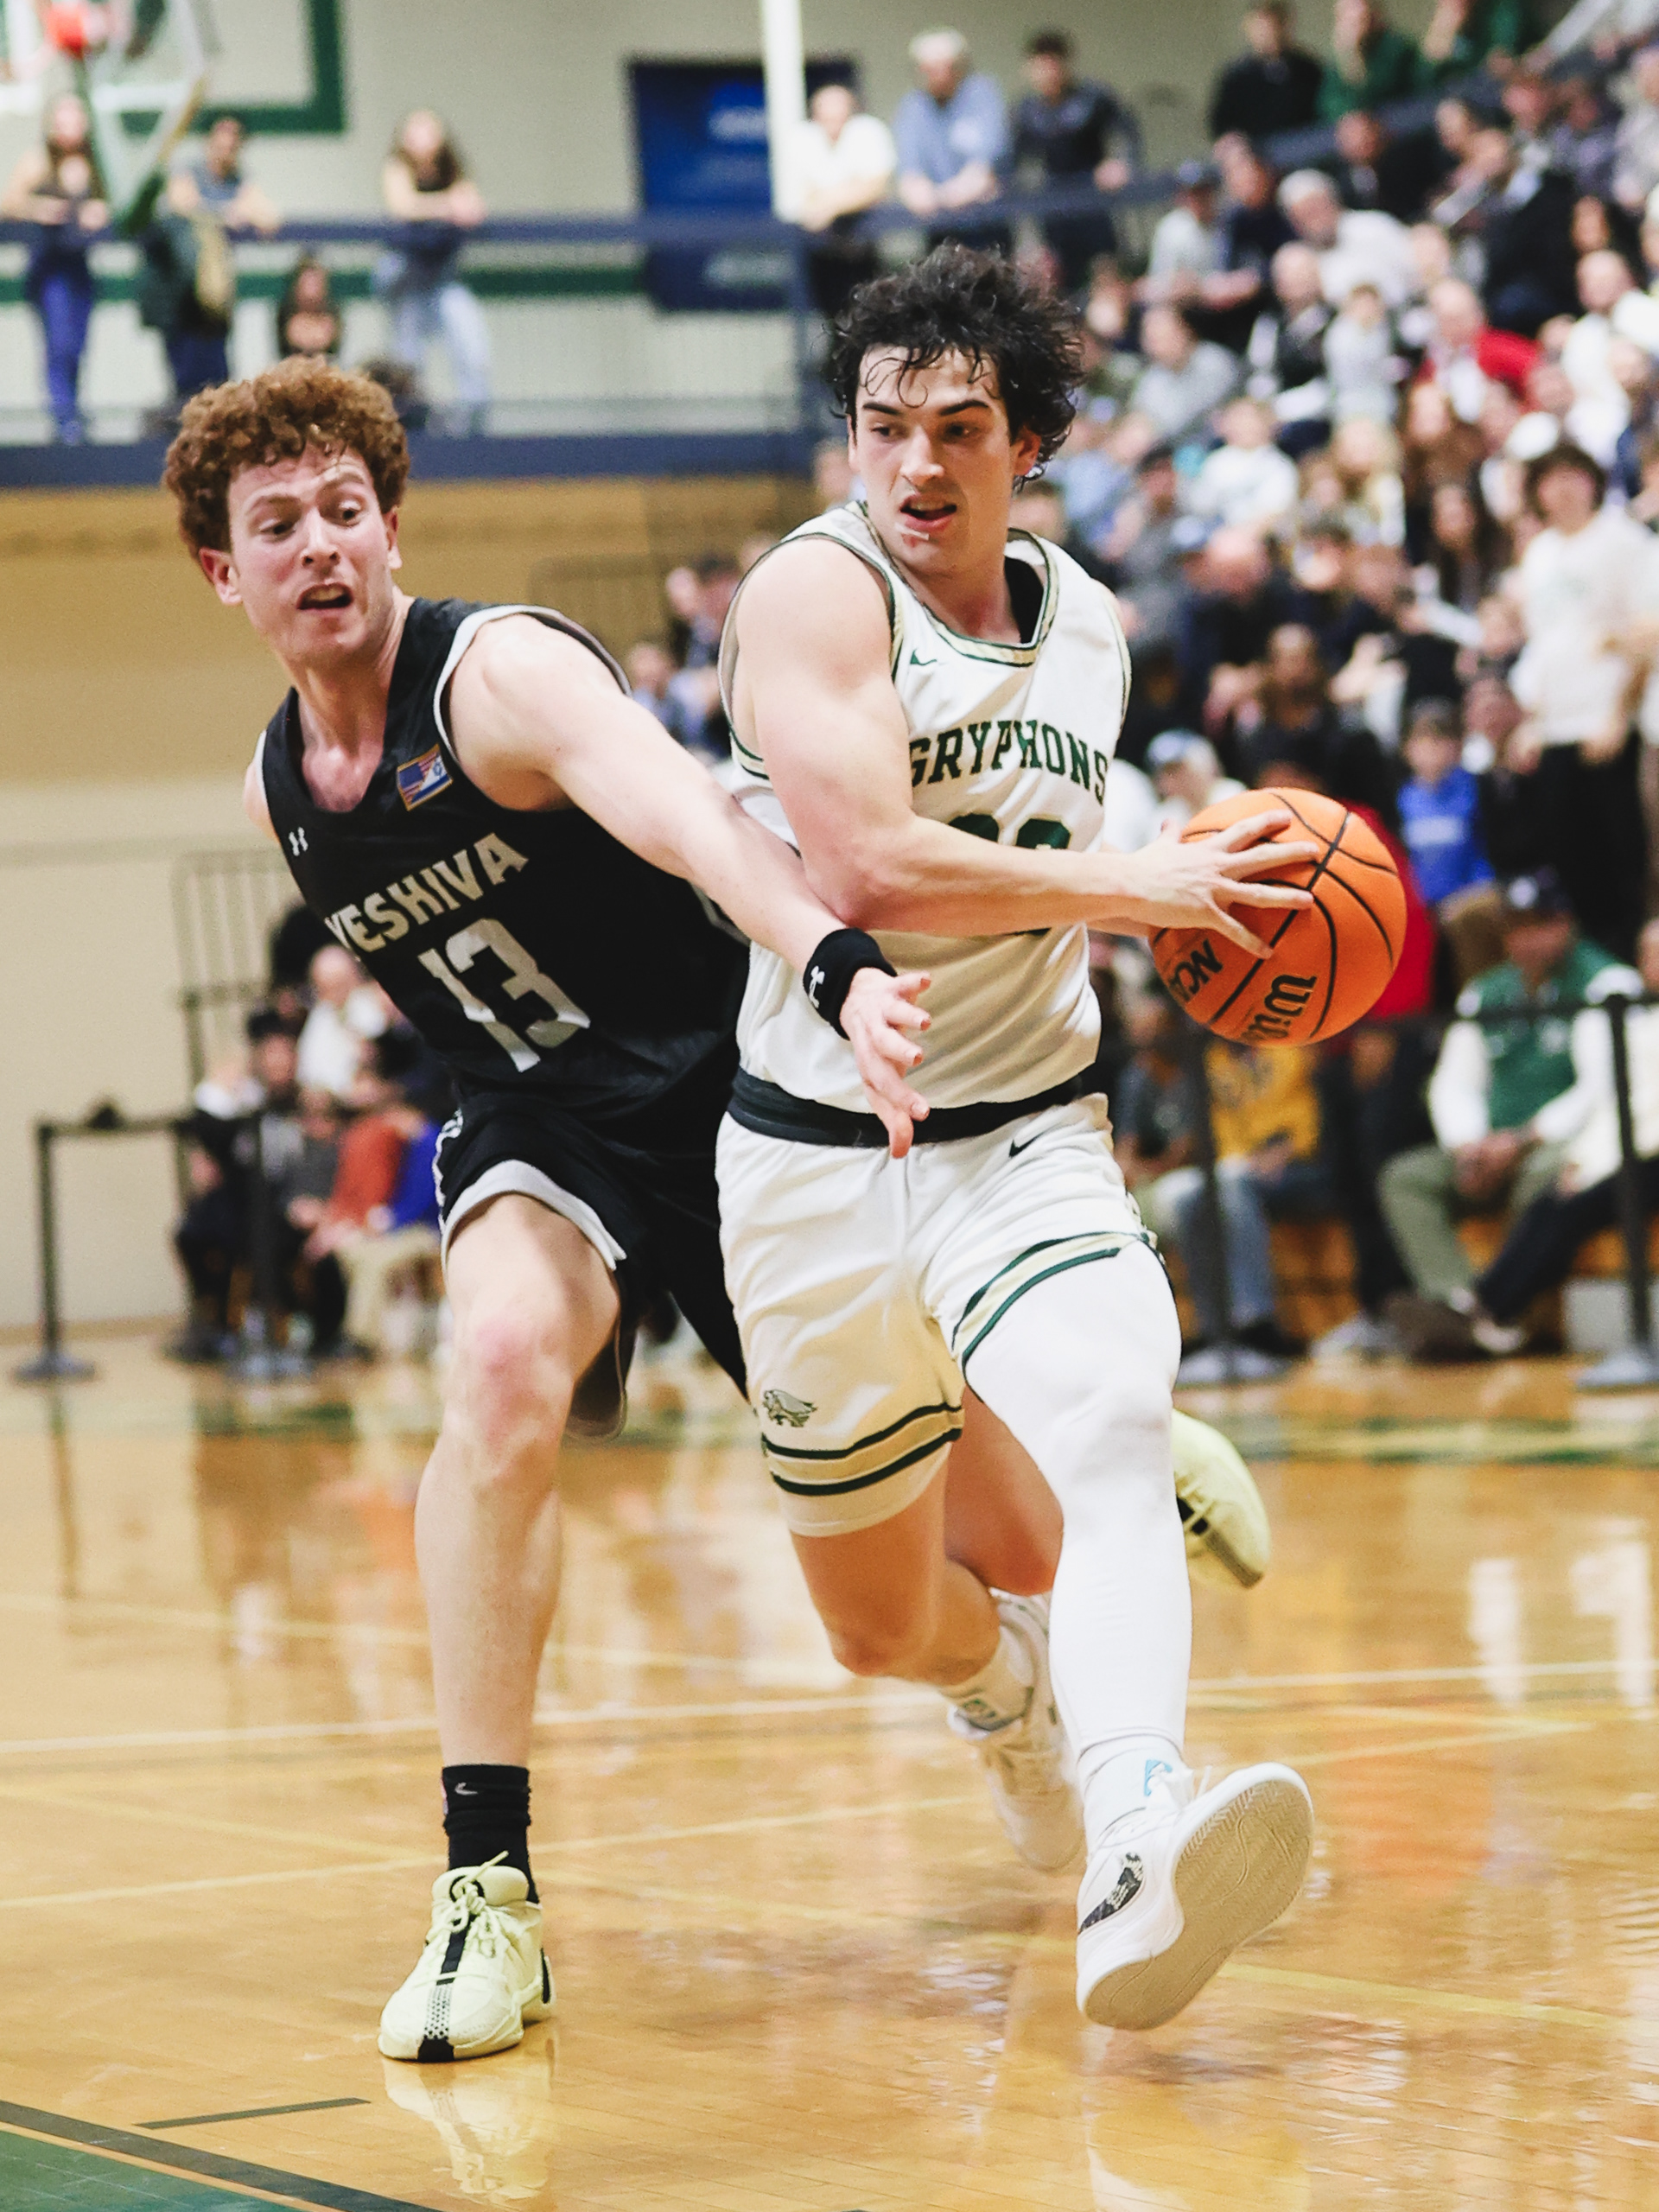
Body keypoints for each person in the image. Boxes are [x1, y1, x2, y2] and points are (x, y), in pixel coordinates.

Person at [162, 356, 932, 2062]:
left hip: (731, 1096)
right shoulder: (279, 793)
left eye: (345, 510)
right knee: (500, 1365)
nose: (319, 547)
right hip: (545, 1123)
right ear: (226, 571)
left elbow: (684, 816)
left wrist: (830, 950)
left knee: (909, 1579)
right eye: (275, 525)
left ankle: (1040, 1558)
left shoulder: (491, 674)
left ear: (389, 522)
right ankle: (485, 1885)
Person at [717, 244, 1314, 2031]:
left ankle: (1138, 1832)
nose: (915, 465)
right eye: (883, 427)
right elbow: (871, 866)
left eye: (959, 428)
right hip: (815, 1165)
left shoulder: (1098, 629)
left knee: (1122, 1414)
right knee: (884, 1626)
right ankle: (1003, 1690)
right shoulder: (811, 601)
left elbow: (1034, 887)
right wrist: (1151, 885)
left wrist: (1198, 918)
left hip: (1024, 1137)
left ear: (1030, 443)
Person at [1382, 868, 1642, 1355]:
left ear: (1567, 924)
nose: (1528, 938)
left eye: (1541, 923)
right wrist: (1470, 1144)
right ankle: (1455, 1305)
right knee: (1405, 1177)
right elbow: (1453, 1082)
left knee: (1544, 1176)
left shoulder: (1606, 982)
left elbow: (1600, 1090)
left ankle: (1512, 1314)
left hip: (1564, 1141)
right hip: (1489, 1144)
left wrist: (1521, 1140)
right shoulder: (1486, 991)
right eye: (1518, 926)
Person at [1451, 912, 1659, 1351]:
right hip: (1634, 1151)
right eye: (1645, 953)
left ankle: (1486, 1310)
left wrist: (1595, 1163)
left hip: (1648, 1153)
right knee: (1557, 1203)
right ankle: (1481, 1311)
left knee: (1574, 1203)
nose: (1649, 964)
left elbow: (1649, 1112)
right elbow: (1615, 1103)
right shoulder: (1634, 1017)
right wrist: (1583, 1160)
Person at [1509, 442, 1655, 957]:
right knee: (1568, 858)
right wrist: (1531, 721)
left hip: (1609, 724)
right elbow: (1543, 645)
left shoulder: (1623, 541)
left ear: (1593, 481)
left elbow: (1648, 632)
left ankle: (1628, 974)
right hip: (1556, 728)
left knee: (1621, 859)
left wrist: (1619, 715)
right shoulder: (1540, 554)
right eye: (1550, 478)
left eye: (1573, 475)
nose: (1563, 487)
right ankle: (1592, 972)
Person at [1, 92, 105, 442]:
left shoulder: (94, 163)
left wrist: (98, 211)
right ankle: (64, 418)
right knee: (58, 343)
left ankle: (74, 411)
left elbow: (115, 203)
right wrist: (39, 209)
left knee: (77, 344)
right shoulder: (38, 161)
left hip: (79, 267)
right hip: (47, 268)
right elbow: (10, 201)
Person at [379, 111, 491, 435]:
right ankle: (412, 430)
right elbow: (402, 206)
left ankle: (473, 430)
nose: (421, 136)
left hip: (443, 278)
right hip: (405, 276)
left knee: (473, 348)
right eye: (414, 130)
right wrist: (447, 206)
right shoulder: (396, 167)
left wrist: (458, 204)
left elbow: (473, 207)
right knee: (408, 360)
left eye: (428, 129)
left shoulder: (452, 169)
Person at [1011, 29, 1142, 290]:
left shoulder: (1093, 97)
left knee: (1107, 277)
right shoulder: (1026, 111)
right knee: (1059, 285)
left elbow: (1128, 132)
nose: (1047, 73)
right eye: (1040, 67)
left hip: (1096, 204)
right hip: (1053, 211)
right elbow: (1011, 161)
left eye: (1052, 65)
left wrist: (1121, 163)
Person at [776, 81, 897, 320]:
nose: (833, 124)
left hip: (862, 246)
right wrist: (849, 190)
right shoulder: (802, 137)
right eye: (826, 117)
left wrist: (830, 204)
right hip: (821, 250)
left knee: (870, 317)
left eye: (839, 116)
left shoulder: (868, 131)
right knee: (831, 322)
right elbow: (803, 194)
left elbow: (874, 187)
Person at [893, 29, 1008, 248]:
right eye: (925, 68)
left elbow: (984, 171)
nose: (931, 74)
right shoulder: (913, 106)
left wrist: (942, 196)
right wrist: (925, 195)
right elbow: (910, 177)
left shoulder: (981, 93)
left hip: (985, 226)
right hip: (939, 230)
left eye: (940, 66)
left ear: (958, 66)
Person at [1208, 3, 1325, 143]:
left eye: (1274, 27)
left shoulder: (1308, 70)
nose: (1269, 35)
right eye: (1262, 29)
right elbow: (1222, 127)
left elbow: (1322, 116)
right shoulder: (1236, 78)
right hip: (1256, 153)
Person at [1130, 303, 1240, 447]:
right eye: (1153, 340)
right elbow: (1142, 422)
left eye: (1166, 337)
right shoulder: (1151, 380)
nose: (1160, 346)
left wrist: (1160, 433)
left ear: (1185, 330)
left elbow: (1202, 415)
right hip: (1169, 455)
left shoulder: (1214, 361)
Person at [1319, 0, 1424, 122]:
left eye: (1363, 18)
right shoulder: (1336, 64)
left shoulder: (1397, 49)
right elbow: (1329, 106)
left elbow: (1375, 96)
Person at [277, 257, 342, 360]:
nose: (312, 290)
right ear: (297, 287)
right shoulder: (288, 319)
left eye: (316, 284)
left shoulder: (331, 320)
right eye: (307, 283)